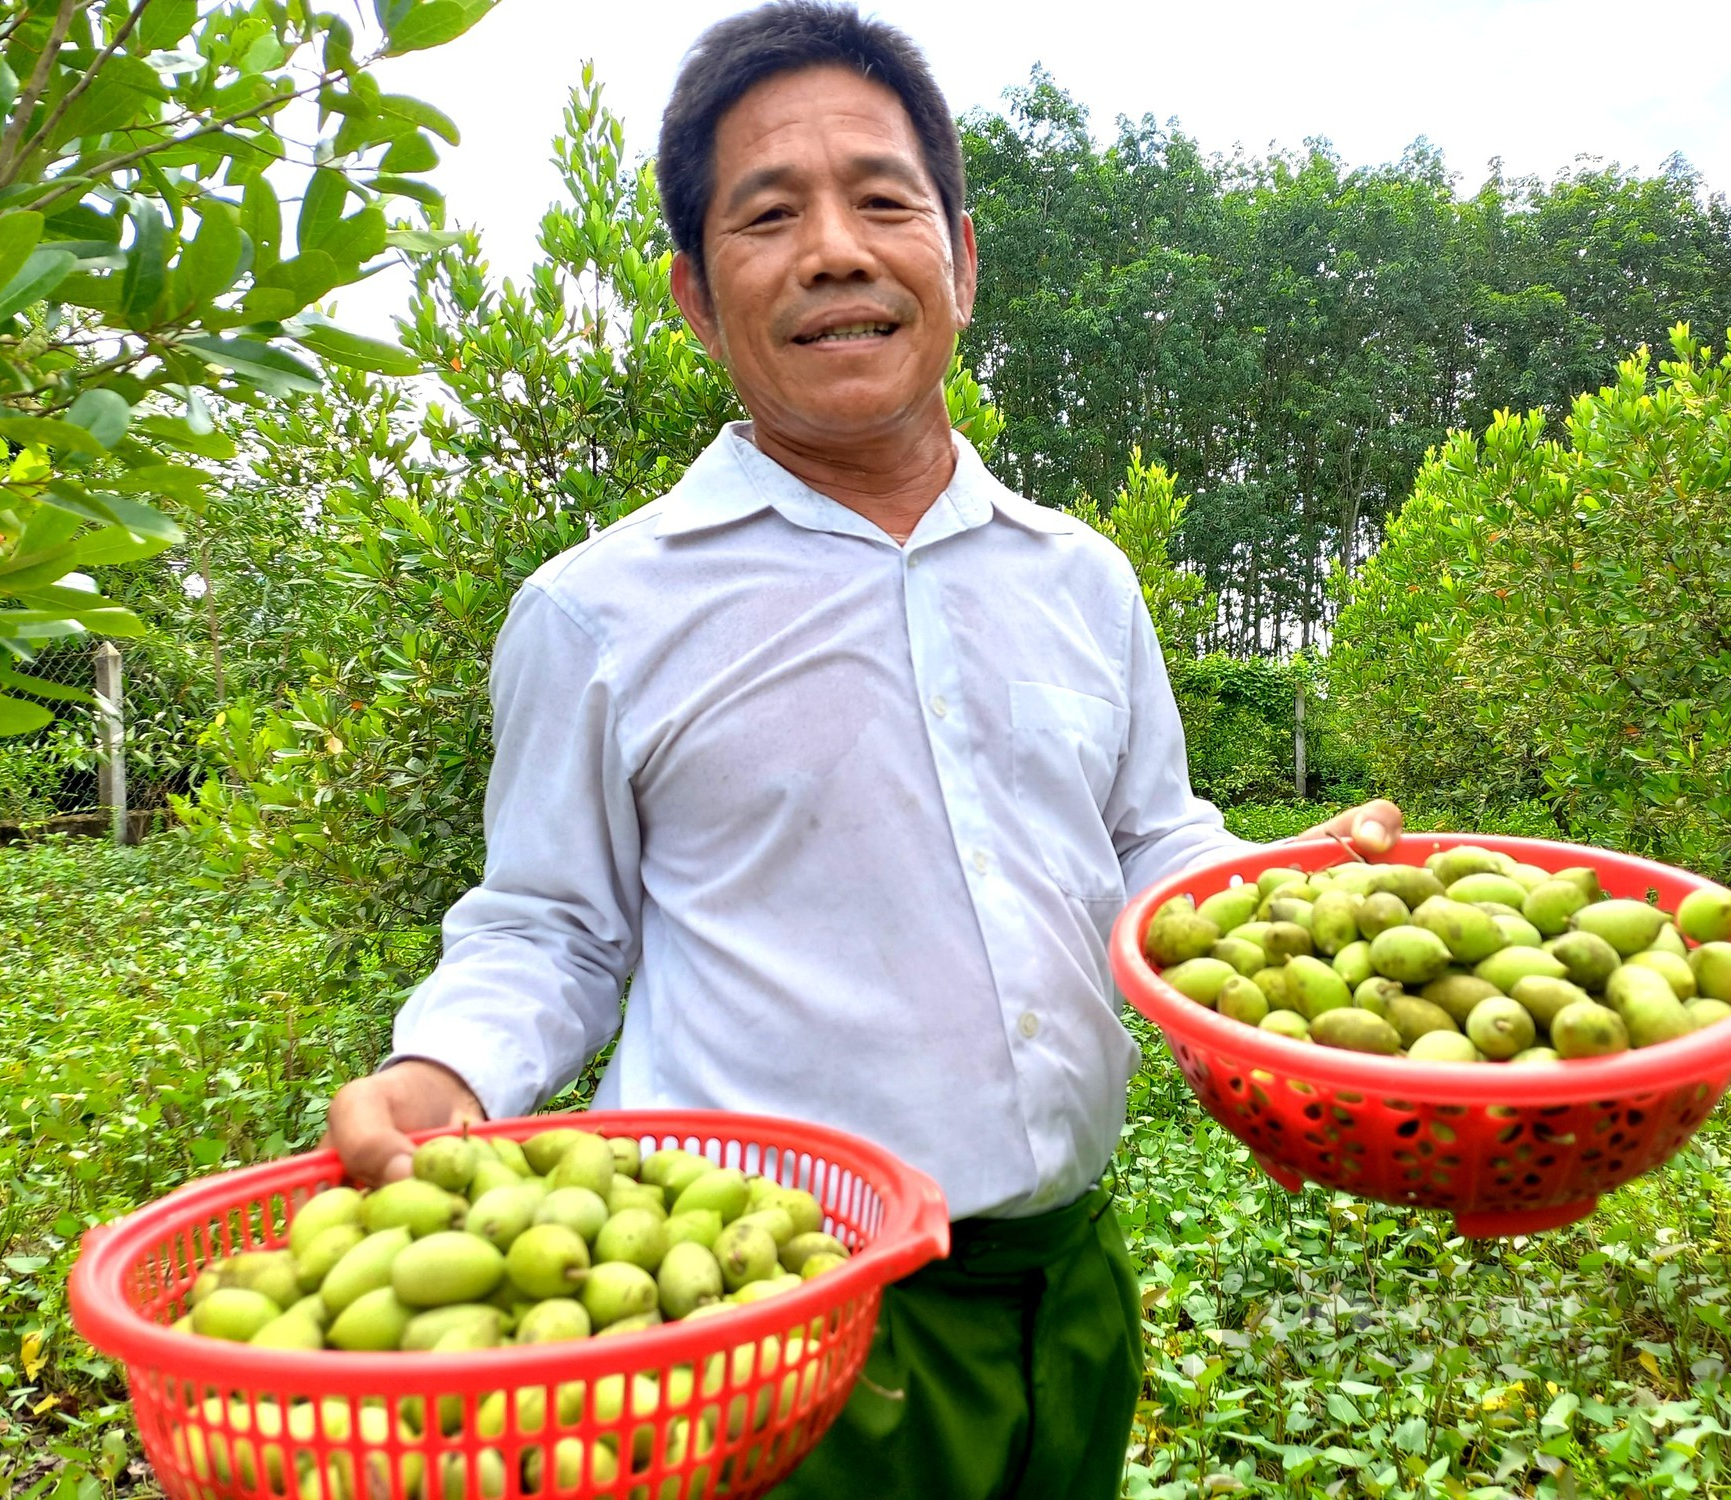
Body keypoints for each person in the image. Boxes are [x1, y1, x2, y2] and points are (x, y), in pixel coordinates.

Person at [323, 4, 1403, 1494]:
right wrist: (448, 1067)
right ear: (698, 297)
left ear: (960, 256)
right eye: (771, 215)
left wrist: (1299, 901)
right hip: (768, 1311)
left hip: (1067, 1280)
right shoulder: (596, 612)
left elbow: (1154, 849)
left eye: (882, 201)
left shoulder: (1078, 576)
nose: (837, 249)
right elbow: (551, 923)